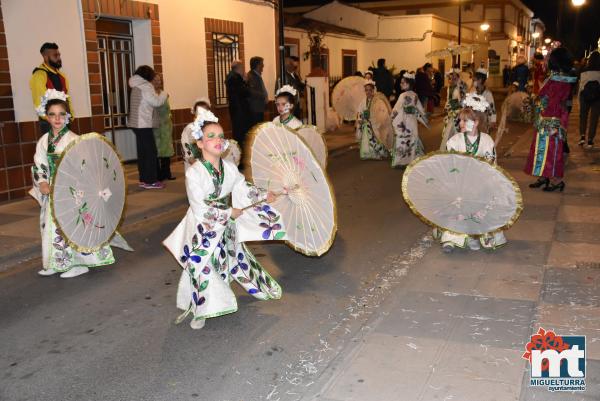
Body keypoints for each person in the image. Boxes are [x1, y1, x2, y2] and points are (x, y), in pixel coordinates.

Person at [162, 108, 285, 330]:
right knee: (202, 266)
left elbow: (242, 188)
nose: (217, 140)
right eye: (210, 136)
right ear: (199, 143)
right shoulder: (194, 173)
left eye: (220, 136)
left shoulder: (228, 168)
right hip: (203, 227)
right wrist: (229, 213)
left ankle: (213, 302)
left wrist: (264, 194)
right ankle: (200, 309)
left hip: (225, 226)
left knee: (225, 261)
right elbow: (199, 208)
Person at [31, 90, 129, 278]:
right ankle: (56, 261)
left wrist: (76, 187)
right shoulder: (44, 141)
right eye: (52, 114)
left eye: (61, 114)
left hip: (71, 190)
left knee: (72, 226)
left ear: (68, 117)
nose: (57, 119)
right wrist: (42, 181)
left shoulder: (74, 140)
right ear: (47, 117)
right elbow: (39, 163)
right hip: (51, 189)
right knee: (50, 225)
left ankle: (78, 262)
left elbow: (85, 168)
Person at [435, 94, 506, 253]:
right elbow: (450, 166)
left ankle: (473, 237)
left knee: (482, 202)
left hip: (481, 183)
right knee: (458, 199)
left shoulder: (487, 140)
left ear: (476, 122)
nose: (460, 123)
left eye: (464, 120)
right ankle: (451, 238)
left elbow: (491, 165)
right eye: (460, 120)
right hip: (460, 183)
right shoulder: (454, 141)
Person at [525, 47, 577, 192]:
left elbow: (551, 100)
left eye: (550, 57)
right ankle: (544, 177)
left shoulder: (560, 79)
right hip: (548, 117)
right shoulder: (557, 76)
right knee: (542, 148)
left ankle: (557, 181)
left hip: (552, 118)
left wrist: (536, 101)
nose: (547, 60)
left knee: (552, 150)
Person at [128, 65, 167, 189]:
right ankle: (150, 181)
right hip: (143, 123)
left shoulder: (135, 85)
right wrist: (164, 94)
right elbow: (156, 102)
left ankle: (144, 179)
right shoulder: (145, 86)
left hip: (136, 123)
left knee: (143, 153)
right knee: (150, 152)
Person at [30, 43, 74, 135]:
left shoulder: (62, 76)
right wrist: (54, 120)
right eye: (55, 55)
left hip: (65, 121)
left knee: (66, 149)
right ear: (45, 57)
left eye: (59, 55)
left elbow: (67, 98)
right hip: (49, 124)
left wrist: (71, 117)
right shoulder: (39, 75)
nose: (59, 58)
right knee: (53, 149)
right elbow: (39, 104)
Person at [390, 72, 427, 168]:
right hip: (412, 120)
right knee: (412, 137)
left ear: (408, 84)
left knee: (402, 138)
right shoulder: (415, 95)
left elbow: (396, 109)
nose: (400, 84)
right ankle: (412, 159)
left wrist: (391, 117)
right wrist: (424, 117)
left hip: (404, 120)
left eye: (403, 83)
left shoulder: (402, 96)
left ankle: (401, 161)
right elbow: (419, 108)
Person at [356, 80, 389, 160]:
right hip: (366, 123)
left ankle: (378, 152)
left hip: (375, 123)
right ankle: (368, 153)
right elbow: (359, 111)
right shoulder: (363, 101)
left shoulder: (377, 100)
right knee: (367, 138)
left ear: (373, 90)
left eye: (370, 90)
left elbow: (381, 111)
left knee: (376, 137)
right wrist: (360, 118)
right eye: (366, 90)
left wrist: (374, 115)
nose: (368, 92)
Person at [152, 74, 175, 181]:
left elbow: (167, 109)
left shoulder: (164, 94)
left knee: (167, 149)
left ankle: (167, 172)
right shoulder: (150, 95)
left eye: (159, 80)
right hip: (156, 126)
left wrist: (169, 118)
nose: (158, 82)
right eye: (155, 80)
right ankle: (158, 174)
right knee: (157, 150)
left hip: (166, 126)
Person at [439, 67, 468, 150]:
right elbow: (448, 99)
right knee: (448, 133)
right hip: (450, 113)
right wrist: (446, 107)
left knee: (457, 131)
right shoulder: (449, 87)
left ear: (458, 77)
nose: (452, 79)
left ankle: (458, 149)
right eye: (450, 77)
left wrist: (459, 110)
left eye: (454, 77)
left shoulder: (461, 86)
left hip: (459, 113)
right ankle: (450, 149)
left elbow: (463, 99)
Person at [226, 60, 251, 148]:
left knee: (238, 133)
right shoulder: (235, 78)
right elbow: (245, 92)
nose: (244, 70)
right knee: (240, 134)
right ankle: (240, 155)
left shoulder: (231, 76)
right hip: (240, 111)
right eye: (243, 67)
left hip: (237, 110)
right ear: (239, 68)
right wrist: (245, 81)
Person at [182, 98, 211, 171]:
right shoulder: (189, 128)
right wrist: (190, 158)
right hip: (193, 161)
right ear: (194, 112)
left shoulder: (211, 127)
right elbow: (185, 144)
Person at [578, 51, 600, 149]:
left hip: (584, 96)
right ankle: (590, 140)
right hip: (597, 97)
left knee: (583, 116)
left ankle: (582, 137)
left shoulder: (583, 70)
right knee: (594, 118)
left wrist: (579, 98)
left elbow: (581, 86)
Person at [471, 68, 496, 133]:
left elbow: (492, 108)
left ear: (480, 80)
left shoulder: (488, 94)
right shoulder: (473, 92)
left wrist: (493, 121)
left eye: (474, 80)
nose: (473, 82)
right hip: (473, 121)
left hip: (484, 122)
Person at [247, 56, 268, 128]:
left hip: (259, 108)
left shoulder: (257, 75)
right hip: (255, 109)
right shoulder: (251, 76)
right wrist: (263, 95)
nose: (263, 66)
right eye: (262, 64)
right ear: (258, 65)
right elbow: (251, 91)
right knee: (255, 129)